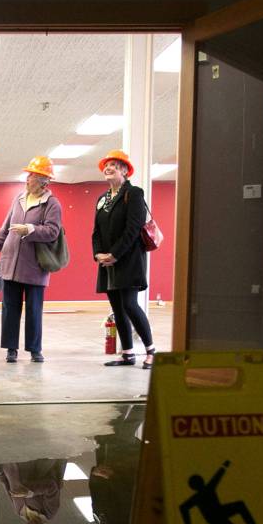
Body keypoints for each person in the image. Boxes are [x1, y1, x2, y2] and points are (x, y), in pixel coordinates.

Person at [0, 156, 63, 364]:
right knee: (9, 309)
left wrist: (30, 230)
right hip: (10, 264)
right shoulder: (19, 199)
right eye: (28, 175)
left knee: (34, 310)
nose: (27, 179)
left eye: (32, 175)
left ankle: (34, 350)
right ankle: (11, 349)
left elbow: (53, 231)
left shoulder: (52, 204)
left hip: (34, 266)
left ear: (44, 180)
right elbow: (5, 228)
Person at [91, 149, 156, 369]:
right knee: (117, 307)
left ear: (125, 171)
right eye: (107, 166)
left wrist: (115, 255)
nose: (109, 169)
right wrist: (98, 254)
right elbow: (96, 231)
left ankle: (150, 351)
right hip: (107, 262)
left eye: (115, 166)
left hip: (128, 259)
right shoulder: (102, 199)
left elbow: (133, 228)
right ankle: (127, 353)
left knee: (129, 304)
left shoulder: (134, 193)